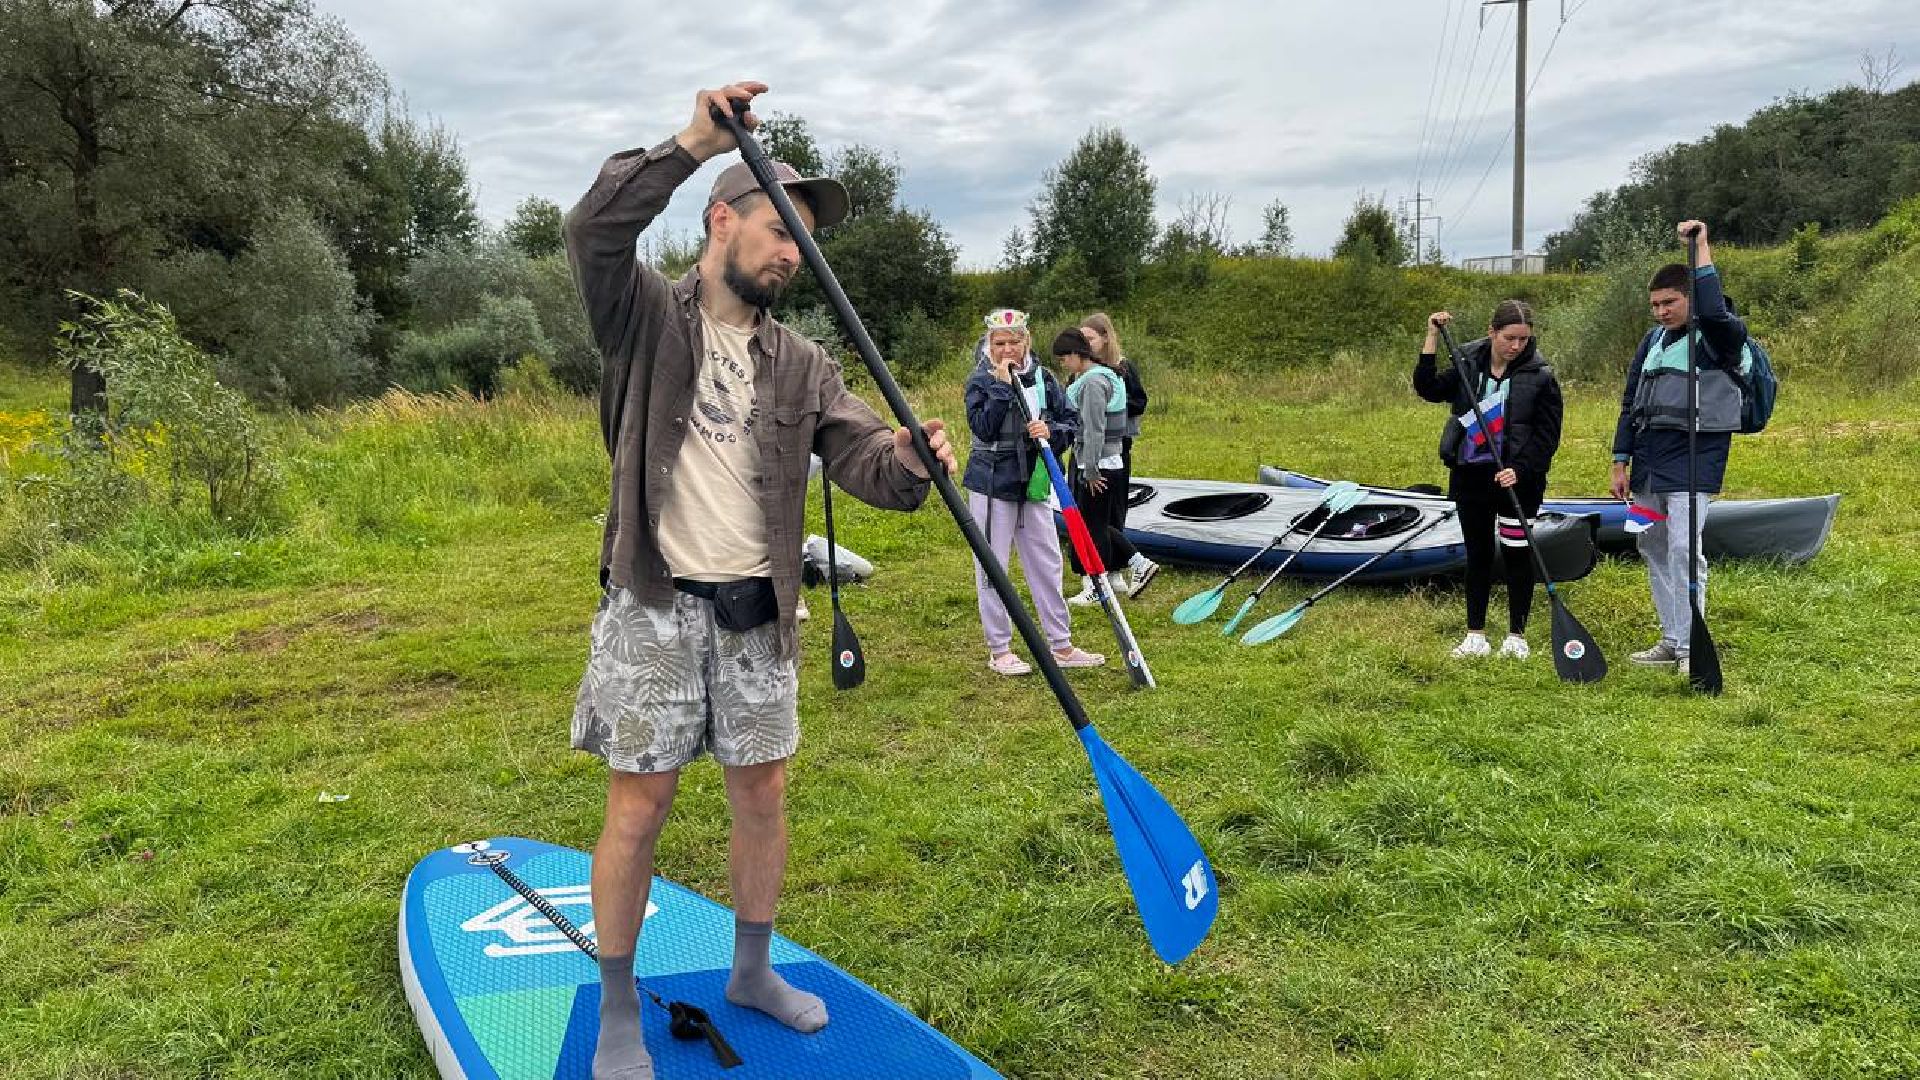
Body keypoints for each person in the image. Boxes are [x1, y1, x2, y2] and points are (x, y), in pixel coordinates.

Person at [563, 81, 956, 1080]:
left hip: (757, 615)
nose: (796, 253)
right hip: (653, 609)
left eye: (807, 243)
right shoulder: (646, 321)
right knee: (639, 808)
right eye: (782, 231)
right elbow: (595, 229)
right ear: (721, 218)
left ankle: (750, 969)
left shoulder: (803, 363)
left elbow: (866, 457)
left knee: (764, 797)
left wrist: (911, 456)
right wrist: (694, 139)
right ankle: (617, 1007)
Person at [1610, 220, 1749, 678]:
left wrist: (1702, 247)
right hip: (1650, 465)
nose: (1661, 312)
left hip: (1694, 464)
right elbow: (1632, 401)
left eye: (1669, 302)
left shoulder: (1718, 337)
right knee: (1652, 546)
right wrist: (1619, 459)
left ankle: (1693, 646)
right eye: (1655, 304)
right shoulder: (1651, 342)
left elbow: (1711, 311)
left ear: (1689, 297)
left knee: (1686, 552)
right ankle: (1671, 640)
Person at [1415, 301, 1564, 659]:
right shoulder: (1468, 365)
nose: (1516, 346)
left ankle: (1517, 636)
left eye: (1523, 340)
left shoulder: (1540, 375)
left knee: (1516, 553)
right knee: (1478, 553)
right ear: (1491, 331)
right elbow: (1428, 388)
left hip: (1518, 482)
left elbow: (1547, 436)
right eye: (1510, 338)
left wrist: (1522, 469)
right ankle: (1475, 636)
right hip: (1472, 476)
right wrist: (1432, 337)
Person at [962, 309, 1105, 675]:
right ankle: (1000, 650)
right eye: (1000, 343)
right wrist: (1000, 387)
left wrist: (1051, 433)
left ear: (1026, 341)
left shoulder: (1044, 378)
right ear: (989, 345)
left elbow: (1069, 422)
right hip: (993, 484)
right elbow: (984, 428)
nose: (1007, 349)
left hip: (1036, 484)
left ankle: (1061, 645)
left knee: (1047, 563)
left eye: (1014, 341)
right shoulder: (979, 381)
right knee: (993, 567)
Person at [1054, 328, 1146, 604]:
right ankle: (1137, 563)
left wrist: (1091, 470)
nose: (1062, 364)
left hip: (1098, 464)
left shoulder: (1094, 383)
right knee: (1097, 524)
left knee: (1090, 527)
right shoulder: (1105, 375)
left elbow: (1095, 429)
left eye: (1063, 358)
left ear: (1075, 354)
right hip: (1107, 460)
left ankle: (1101, 584)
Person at [1073, 312, 1159, 601]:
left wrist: (1109, 407)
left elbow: (1139, 402)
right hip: (1085, 448)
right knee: (1088, 513)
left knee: (1107, 512)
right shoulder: (1079, 370)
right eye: (1081, 339)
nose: (1085, 345)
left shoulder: (1121, 368)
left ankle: (1114, 571)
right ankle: (1096, 574)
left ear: (1105, 338)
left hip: (1111, 448)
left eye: (1090, 339)